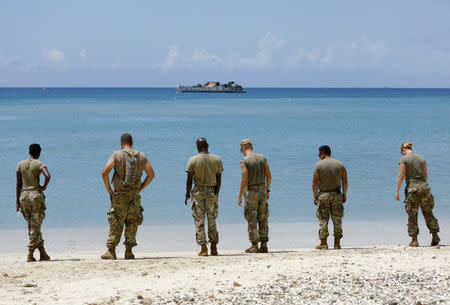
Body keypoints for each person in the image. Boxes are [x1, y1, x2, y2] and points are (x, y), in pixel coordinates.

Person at [101, 133, 155, 260]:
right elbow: (151, 174)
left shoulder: (117, 154)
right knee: (132, 222)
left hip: (119, 195)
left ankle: (111, 251)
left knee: (116, 222)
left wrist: (109, 188)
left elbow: (104, 172)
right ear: (132, 143)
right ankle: (129, 251)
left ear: (121, 143)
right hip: (134, 195)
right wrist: (140, 188)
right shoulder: (141, 156)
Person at [395, 142, 440, 247]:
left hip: (412, 188)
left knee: (412, 214)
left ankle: (414, 240)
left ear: (403, 150)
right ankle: (435, 235)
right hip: (425, 187)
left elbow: (401, 175)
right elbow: (425, 175)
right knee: (428, 212)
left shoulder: (404, 159)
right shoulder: (421, 158)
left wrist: (397, 191)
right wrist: (423, 186)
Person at [185, 138, 224, 256]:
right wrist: (216, 193)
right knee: (212, 219)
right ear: (207, 145)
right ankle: (213, 247)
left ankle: (203, 248)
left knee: (199, 220)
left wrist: (187, 194)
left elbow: (189, 180)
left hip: (198, 192)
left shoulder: (193, 160)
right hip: (212, 191)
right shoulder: (217, 159)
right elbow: (219, 179)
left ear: (197, 147)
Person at [16, 144, 51, 262]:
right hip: (35, 196)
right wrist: (44, 186)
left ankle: (43, 253)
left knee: (32, 226)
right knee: (35, 226)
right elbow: (47, 175)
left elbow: (18, 184)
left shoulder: (20, 164)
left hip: (24, 196)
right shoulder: (39, 163)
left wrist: (17, 202)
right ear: (39, 152)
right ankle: (30, 254)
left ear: (29, 152)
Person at [237, 139, 272, 253]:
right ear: (251, 147)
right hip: (262, 189)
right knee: (263, 217)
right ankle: (264, 244)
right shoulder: (262, 158)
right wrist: (268, 190)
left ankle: (254, 245)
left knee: (252, 218)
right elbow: (269, 176)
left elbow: (244, 180)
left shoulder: (244, 161)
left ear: (243, 148)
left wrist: (240, 195)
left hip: (251, 191)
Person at [312, 145, 347, 250]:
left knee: (323, 219)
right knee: (337, 219)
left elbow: (315, 183)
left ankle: (324, 243)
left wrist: (314, 196)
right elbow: (344, 182)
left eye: (319, 154)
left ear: (322, 153)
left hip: (323, 195)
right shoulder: (340, 165)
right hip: (337, 194)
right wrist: (345, 194)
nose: (319, 156)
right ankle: (337, 243)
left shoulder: (318, 165)